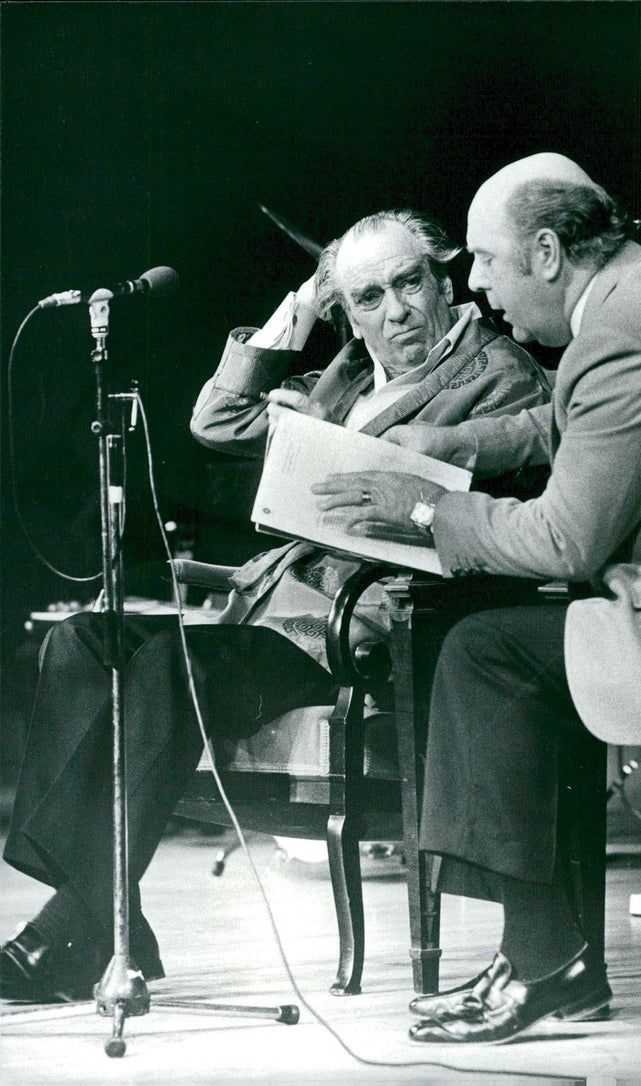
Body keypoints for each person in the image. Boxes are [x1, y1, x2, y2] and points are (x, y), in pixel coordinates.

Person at [0, 209, 549, 1004]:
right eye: (366, 298)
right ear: (346, 314)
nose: (395, 312)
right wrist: (304, 301)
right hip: (272, 606)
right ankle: (102, 917)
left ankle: (71, 930)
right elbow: (215, 420)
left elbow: (498, 513)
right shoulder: (351, 374)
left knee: (169, 665)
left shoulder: (497, 375)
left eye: (408, 284)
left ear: (442, 278)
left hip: (359, 624)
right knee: (79, 641)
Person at [312, 155, 641, 1044]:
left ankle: (545, 959)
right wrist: (454, 441)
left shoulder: (622, 332)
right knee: (494, 645)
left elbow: (562, 540)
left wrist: (423, 503)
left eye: (487, 262)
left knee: (483, 652)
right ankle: (540, 952)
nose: (479, 285)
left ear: (544, 252)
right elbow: (562, 421)